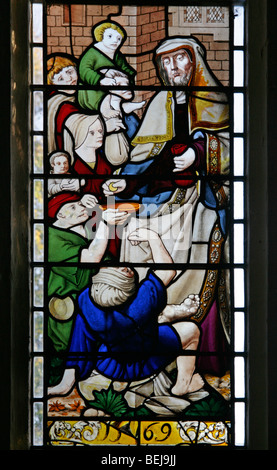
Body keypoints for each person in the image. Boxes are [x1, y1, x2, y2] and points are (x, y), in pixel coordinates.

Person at [105, 36, 230, 376]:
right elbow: (141, 155)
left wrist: (200, 153)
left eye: (180, 60)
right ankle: (145, 333)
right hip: (161, 196)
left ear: (195, 62)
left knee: (202, 236)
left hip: (202, 195)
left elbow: (235, 147)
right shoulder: (160, 101)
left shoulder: (216, 100)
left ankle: (190, 352)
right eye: (167, 63)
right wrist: (123, 180)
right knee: (132, 232)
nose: (173, 69)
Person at [48, 227, 203, 398]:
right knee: (191, 330)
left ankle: (165, 314)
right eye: (122, 270)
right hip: (142, 361)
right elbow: (167, 271)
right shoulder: (140, 304)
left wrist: (67, 381)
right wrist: (153, 237)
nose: (121, 266)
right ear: (130, 288)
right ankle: (183, 384)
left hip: (107, 362)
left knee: (89, 324)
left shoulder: (87, 301)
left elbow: (81, 337)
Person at [47, 191, 130, 382]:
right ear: (60, 215)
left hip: (95, 302)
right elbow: (90, 259)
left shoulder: (77, 232)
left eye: (80, 204)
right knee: (65, 356)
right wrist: (105, 223)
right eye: (73, 207)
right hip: (70, 312)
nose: (81, 209)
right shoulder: (50, 237)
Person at [77, 21, 143, 114]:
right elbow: (84, 70)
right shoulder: (92, 53)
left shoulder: (117, 55)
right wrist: (100, 79)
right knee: (108, 101)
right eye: (110, 36)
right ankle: (122, 108)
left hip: (114, 90)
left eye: (119, 38)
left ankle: (122, 107)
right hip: (92, 94)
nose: (115, 40)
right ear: (101, 36)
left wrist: (132, 77)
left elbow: (125, 69)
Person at [47, 54, 78, 154]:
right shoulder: (62, 106)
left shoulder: (80, 97)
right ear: (53, 85)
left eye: (70, 72)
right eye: (61, 79)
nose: (69, 79)